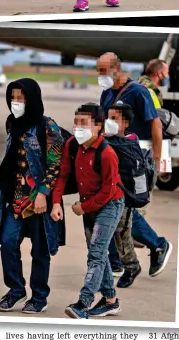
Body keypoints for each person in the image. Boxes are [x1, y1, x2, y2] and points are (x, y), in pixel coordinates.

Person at [0, 79, 65, 314]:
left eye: (21, 98)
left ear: (32, 98)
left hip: (39, 200)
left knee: (40, 251)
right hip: (16, 197)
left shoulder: (48, 126)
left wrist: (44, 193)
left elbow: (56, 165)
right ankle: (16, 290)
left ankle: (39, 297)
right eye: (13, 97)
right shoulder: (11, 123)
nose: (16, 102)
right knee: (7, 243)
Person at [97, 53, 172, 277]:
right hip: (113, 157)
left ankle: (157, 244)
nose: (100, 76)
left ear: (116, 69)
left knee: (120, 209)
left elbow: (155, 125)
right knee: (111, 207)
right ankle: (116, 261)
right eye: (98, 71)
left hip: (134, 159)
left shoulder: (138, 92)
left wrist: (157, 159)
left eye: (103, 71)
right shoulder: (106, 94)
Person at [51, 104, 125, 319]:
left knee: (95, 254)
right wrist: (56, 202)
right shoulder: (72, 145)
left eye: (84, 123)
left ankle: (84, 303)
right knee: (99, 254)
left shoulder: (107, 153)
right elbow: (63, 176)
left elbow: (109, 191)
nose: (78, 128)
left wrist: (83, 207)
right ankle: (110, 300)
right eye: (76, 122)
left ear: (98, 126)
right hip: (89, 206)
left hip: (109, 205)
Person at [104, 103, 143, 288]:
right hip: (107, 195)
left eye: (114, 119)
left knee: (122, 232)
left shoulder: (130, 141)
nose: (109, 122)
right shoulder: (106, 140)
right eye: (108, 118)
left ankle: (131, 266)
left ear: (125, 123)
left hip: (124, 195)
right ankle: (111, 266)